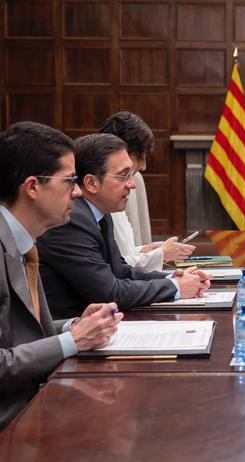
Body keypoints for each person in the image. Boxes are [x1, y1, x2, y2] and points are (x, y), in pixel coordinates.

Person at [0, 122, 123, 429]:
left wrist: (74, 326)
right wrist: (71, 341)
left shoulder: (23, 242)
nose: (78, 192)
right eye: (69, 181)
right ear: (32, 187)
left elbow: (20, 333)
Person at [37, 133, 210, 319]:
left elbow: (120, 271)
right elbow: (109, 293)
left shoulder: (101, 214)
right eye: (123, 176)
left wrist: (172, 278)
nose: (132, 184)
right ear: (91, 183)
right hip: (71, 330)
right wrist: (175, 287)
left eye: (131, 175)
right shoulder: (72, 221)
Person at [99, 111, 194, 272]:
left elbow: (120, 255)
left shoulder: (113, 197)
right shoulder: (96, 203)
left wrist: (145, 250)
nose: (143, 167)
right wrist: (160, 254)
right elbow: (111, 268)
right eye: (139, 156)